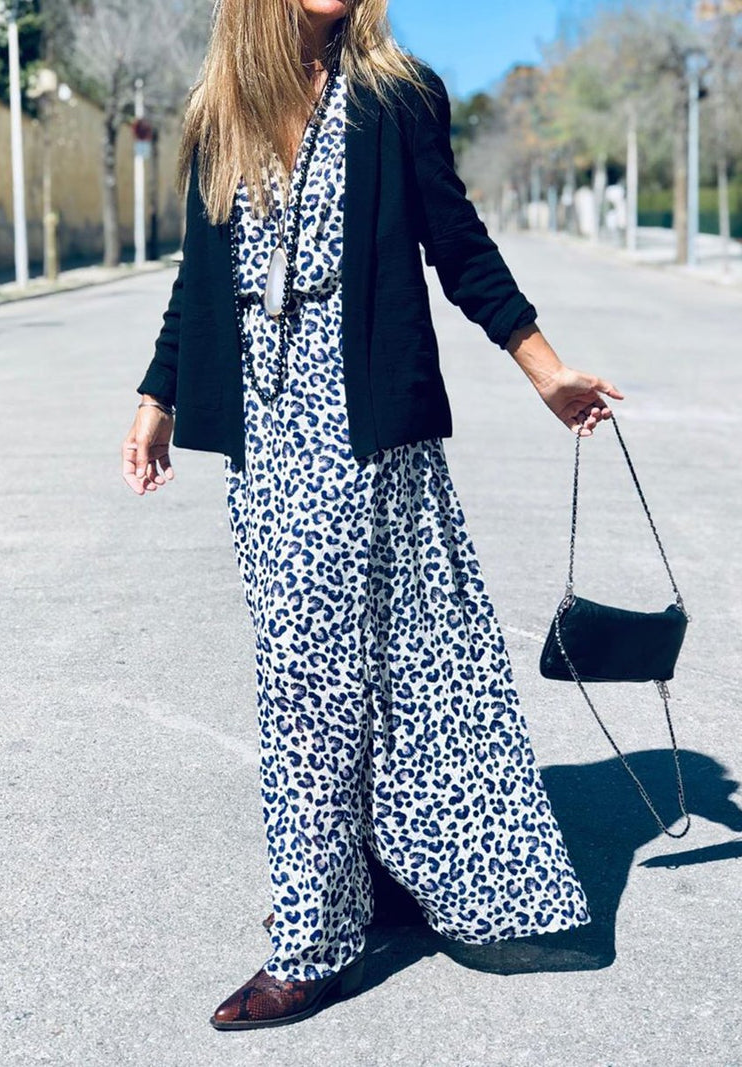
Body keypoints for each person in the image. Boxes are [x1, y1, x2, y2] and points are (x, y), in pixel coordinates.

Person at [121, 0, 624, 1032]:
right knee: (318, 672)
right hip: (266, 441)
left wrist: (543, 368)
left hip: (369, 433)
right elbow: (199, 278)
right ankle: (345, 897)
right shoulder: (220, 112)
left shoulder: (397, 98)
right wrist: (157, 394)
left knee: (376, 669)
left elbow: (458, 243)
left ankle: (328, 922)